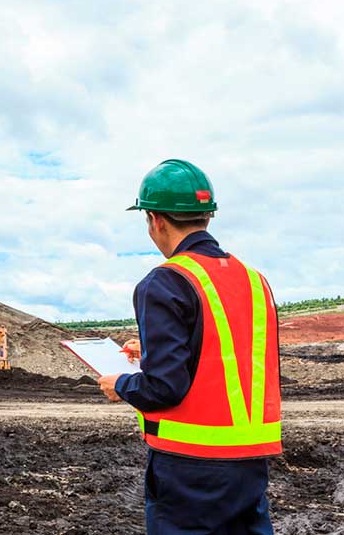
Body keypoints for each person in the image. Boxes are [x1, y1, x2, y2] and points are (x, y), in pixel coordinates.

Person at [98, 159, 282, 534]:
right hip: (250, 464)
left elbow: (163, 388)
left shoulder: (165, 282)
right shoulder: (254, 280)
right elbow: (230, 353)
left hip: (189, 468)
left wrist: (121, 384)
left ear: (155, 220)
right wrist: (151, 350)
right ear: (207, 216)